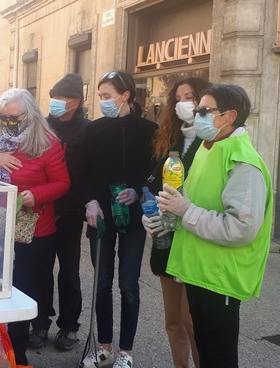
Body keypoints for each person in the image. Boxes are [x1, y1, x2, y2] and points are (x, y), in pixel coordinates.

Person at [157, 84, 273, 368]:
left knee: (219, 357)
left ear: (230, 116)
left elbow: (241, 228)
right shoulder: (210, 148)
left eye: (204, 111)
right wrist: (168, 216)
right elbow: (195, 201)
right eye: (197, 111)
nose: (197, 116)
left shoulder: (243, 161)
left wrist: (186, 210)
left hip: (220, 278)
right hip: (200, 272)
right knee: (206, 352)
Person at [0, 88, 70, 365]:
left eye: (16, 116)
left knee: (23, 290)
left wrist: (35, 195)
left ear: (30, 114)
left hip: (33, 229)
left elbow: (62, 183)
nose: (11, 121)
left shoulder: (48, 143)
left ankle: (18, 356)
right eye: (5, 116)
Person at [76, 71, 157, 368]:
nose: (103, 102)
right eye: (99, 97)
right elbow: (80, 172)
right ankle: (105, 348)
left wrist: (139, 191)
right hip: (101, 220)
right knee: (102, 283)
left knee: (128, 286)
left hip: (134, 220)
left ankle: (127, 352)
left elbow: (157, 172)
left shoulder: (150, 130)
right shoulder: (93, 130)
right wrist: (91, 201)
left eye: (107, 96)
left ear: (126, 96)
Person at [141, 77, 208, 368]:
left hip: (195, 242)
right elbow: (155, 184)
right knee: (173, 324)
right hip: (167, 241)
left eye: (191, 96)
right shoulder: (172, 140)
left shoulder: (213, 145)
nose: (184, 103)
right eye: (179, 98)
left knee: (193, 325)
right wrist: (150, 213)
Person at [28, 73, 89, 351]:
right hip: (42, 209)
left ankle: (68, 326)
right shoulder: (40, 127)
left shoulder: (88, 131)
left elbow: (90, 171)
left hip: (72, 213)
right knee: (40, 270)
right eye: (52, 97)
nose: (53, 103)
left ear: (75, 102)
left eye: (60, 98)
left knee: (69, 272)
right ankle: (40, 323)